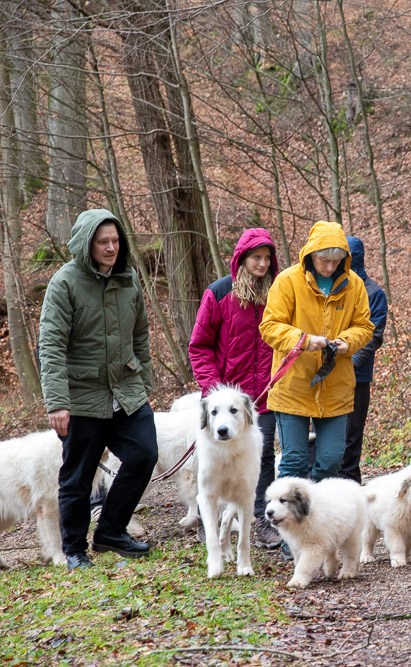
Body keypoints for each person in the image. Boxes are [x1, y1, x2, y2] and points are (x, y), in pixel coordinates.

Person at [38, 209, 159, 570]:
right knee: (78, 476)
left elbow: (141, 334)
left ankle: (110, 531)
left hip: (126, 392)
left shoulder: (129, 278)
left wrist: (144, 382)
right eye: (103, 242)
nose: (110, 248)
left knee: (144, 454)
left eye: (115, 241)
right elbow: (51, 345)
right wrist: (57, 402)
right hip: (80, 398)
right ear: (87, 244)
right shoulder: (64, 283)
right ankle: (74, 549)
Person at [259, 219, 373, 485]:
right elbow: (269, 326)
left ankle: (316, 518)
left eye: (336, 262)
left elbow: (364, 326)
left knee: (332, 459)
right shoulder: (287, 281)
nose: (330, 267)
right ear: (311, 255)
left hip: (335, 387)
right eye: (325, 261)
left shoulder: (354, 284)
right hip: (293, 385)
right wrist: (302, 340)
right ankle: (287, 523)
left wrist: (347, 341)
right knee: (294, 460)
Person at [189, 228, 281, 549]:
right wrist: (214, 391)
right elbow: (199, 347)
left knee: (263, 455)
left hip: (264, 396)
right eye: (256, 257)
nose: (262, 264)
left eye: (267, 258)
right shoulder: (218, 294)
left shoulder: (278, 293)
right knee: (214, 458)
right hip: (225, 398)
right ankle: (207, 517)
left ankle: (260, 520)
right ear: (242, 258)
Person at [338, 235, 388, 484]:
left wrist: (347, 363)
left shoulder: (373, 293)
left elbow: (373, 336)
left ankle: (350, 484)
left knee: (351, 433)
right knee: (322, 432)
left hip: (358, 376)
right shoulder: (332, 289)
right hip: (328, 374)